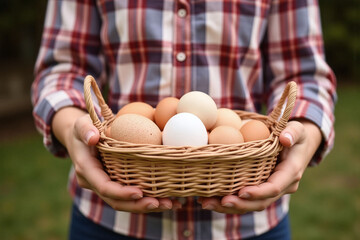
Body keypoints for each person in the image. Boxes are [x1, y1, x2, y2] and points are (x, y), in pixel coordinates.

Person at [32, 0, 337, 239]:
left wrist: (302, 139)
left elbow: (304, 76)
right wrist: (75, 131)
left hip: (250, 221)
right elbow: (62, 70)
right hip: (108, 218)